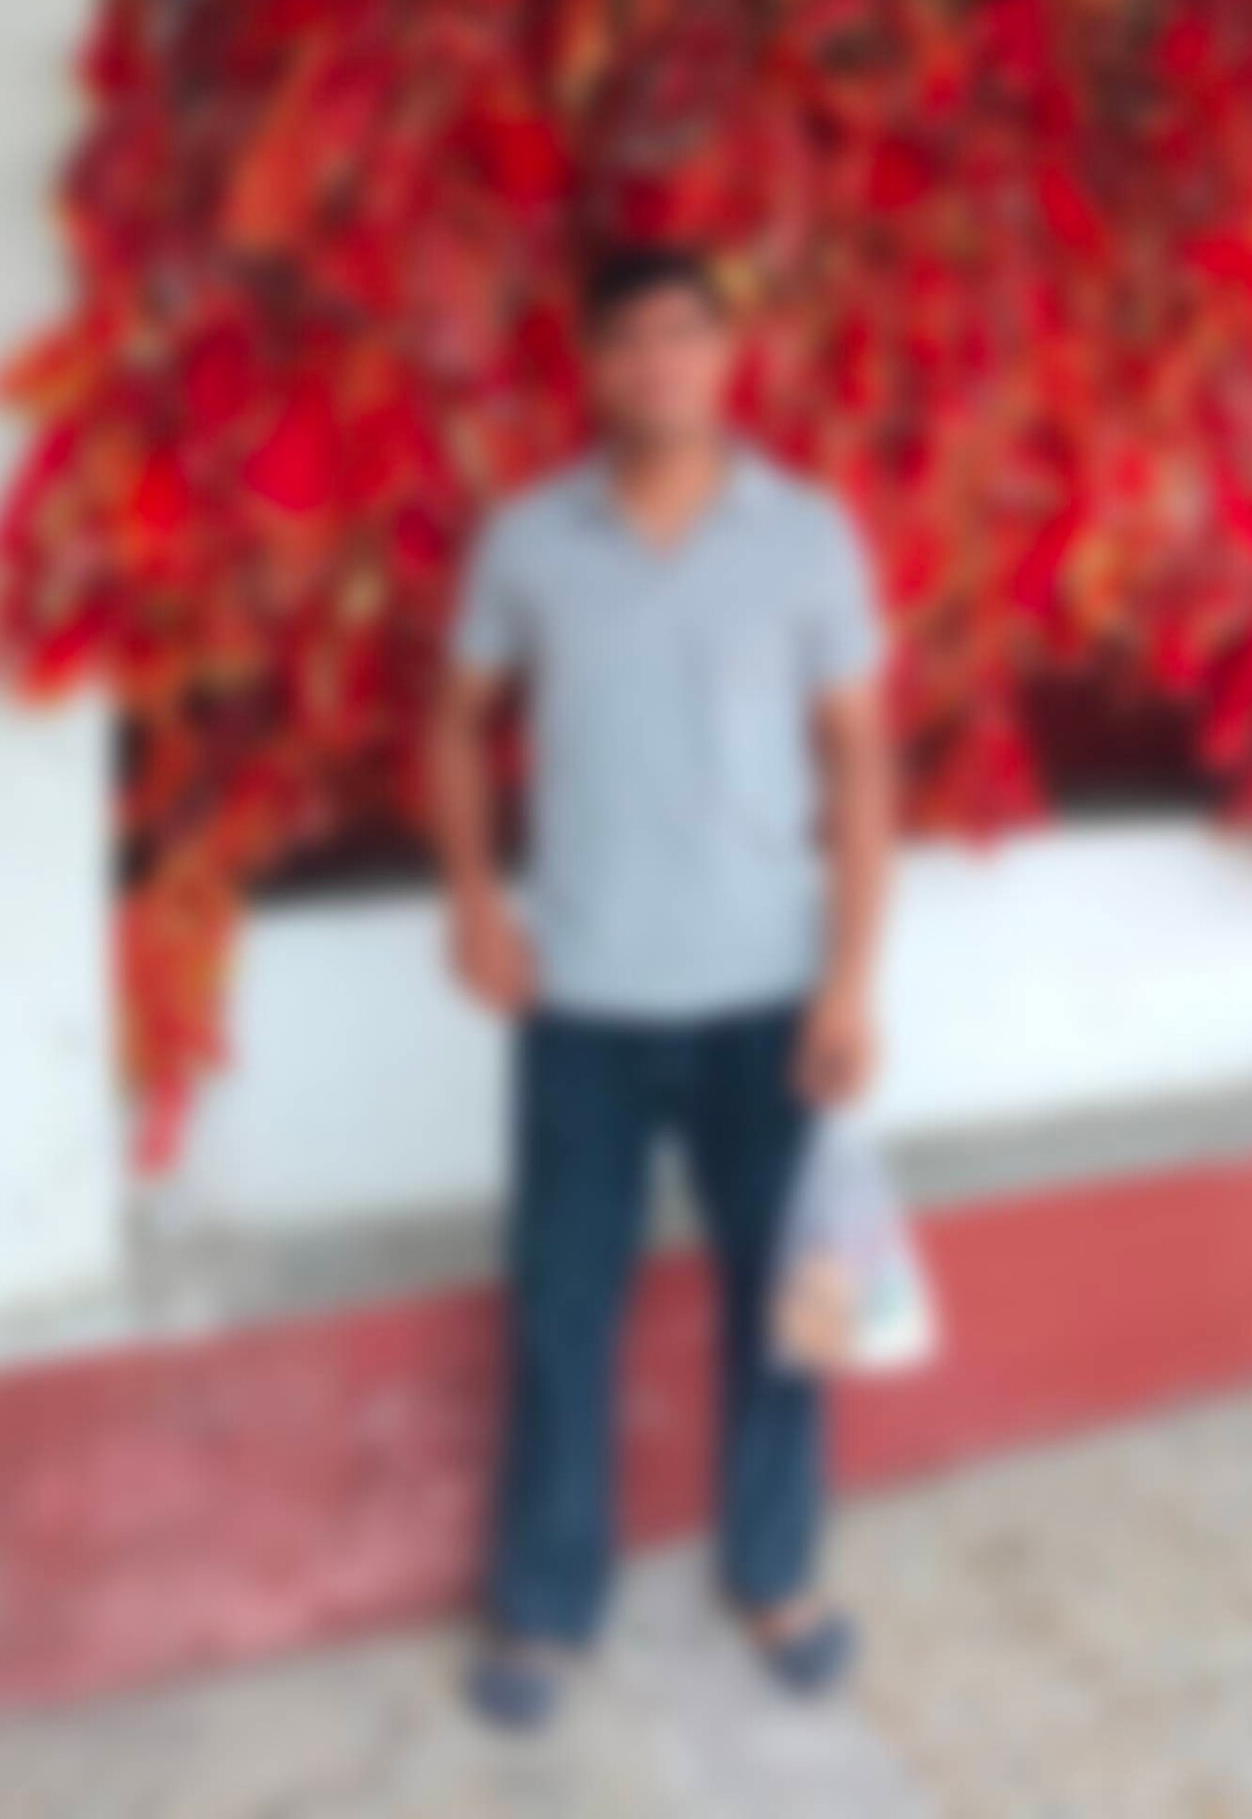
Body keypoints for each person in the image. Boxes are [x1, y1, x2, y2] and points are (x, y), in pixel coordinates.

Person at [427, 242, 894, 1732]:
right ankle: (547, 1602)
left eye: (686, 334)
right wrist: (471, 901)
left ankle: (778, 1573)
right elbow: (454, 723)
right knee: (563, 1307)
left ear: (728, 355)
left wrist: (851, 979)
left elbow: (859, 759)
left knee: (788, 1304)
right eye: (628, 338)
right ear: (590, 364)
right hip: (580, 995)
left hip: (767, 994)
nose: (660, 362)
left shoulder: (807, 534)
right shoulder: (527, 539)